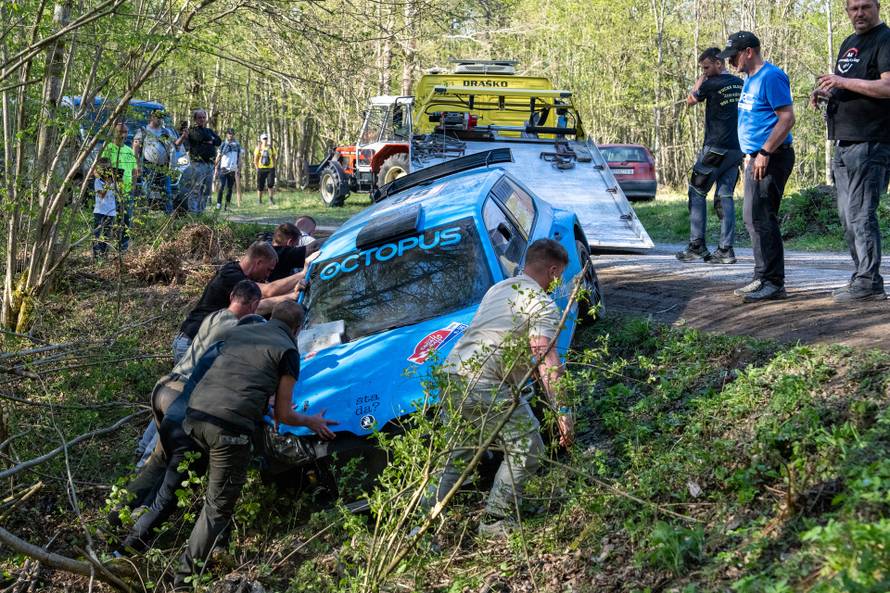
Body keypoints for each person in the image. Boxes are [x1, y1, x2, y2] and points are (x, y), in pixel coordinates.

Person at [173, 301, 337, 587]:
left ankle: (213, 547)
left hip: (194, 415)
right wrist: (312, 421)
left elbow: (237, 376)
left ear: (271, 317)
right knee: (217, 507)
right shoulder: (288, 351)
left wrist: (264, 400)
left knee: (216, 489)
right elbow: (284, 414)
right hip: (228, 426)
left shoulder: (239, 333)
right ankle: (183, 582)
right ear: (297, 329)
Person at [427, 239, 574, 537]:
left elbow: (504, 335)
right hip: (485, 382)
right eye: (559, 277)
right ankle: (495, 519)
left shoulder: (498, 289)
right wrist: (563, 413)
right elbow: (546, 361)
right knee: (528, 447)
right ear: (554, 271)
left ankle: (421, 524)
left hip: (452, 376)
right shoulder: (542, 305)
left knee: (458, 455)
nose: (558, 284)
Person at [116, 313, 267, 556]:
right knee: (167, 497)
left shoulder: (218, 347)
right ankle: (126, 552)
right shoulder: (249, 359)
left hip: (174, 414)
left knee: (155, 470)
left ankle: (111, 523)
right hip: (193, 428)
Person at [134, 279, 263, 470]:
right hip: (183, 389)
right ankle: (140, 473)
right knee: (161, 445)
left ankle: (139, 455)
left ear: (231, 296)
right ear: (254, 305)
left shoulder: (215, 315)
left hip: (168, 380)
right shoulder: (236, 330)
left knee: (158, 424)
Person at [813, 0, 890, 302]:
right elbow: (849, 85)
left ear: (878, 7)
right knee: (847, 215)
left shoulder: (885, 39)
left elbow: (887, 87)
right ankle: (862, 276)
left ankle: (869, 282)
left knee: (860, 213)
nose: (858, 13)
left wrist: (843, 81)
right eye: (852, 8)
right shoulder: (849, 42)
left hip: (870, 141)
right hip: (843, 141)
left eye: (864, 7)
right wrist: (829, 91)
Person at [718, 31, 796, 302]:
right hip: (756, 157)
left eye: (734, 56)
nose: (730, 63)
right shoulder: (750, 80)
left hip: (772, 157)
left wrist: (764, 152)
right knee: (752, 218)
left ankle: (774, 283)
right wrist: (751, 154)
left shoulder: (771, 76)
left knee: (763, 217)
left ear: (749, 51)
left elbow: (786, 118)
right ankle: (761, 276)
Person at [170, 241, 305, 363]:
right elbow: (267, 293)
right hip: (192, 342)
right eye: (268, 269)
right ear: (258, 262)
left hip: (207, 342)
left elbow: (264, 300)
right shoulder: (230, 275)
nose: (268, 275)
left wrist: (293, 293)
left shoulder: (239, 275)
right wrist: (302, 275)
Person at [677, 47, 745, 264]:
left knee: (696, 191)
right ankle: (726, 249)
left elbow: (690, 99)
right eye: (703, 69)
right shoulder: (740, 83)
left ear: (719, 63)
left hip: (715, 148)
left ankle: (697, 246)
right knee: (725, 195)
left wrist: (701, 78)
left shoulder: (711, 83)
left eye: (706, 67)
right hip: (737, 149)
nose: (705, 72)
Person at [99, 120, 138, 251]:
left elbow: (134, 170)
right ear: (114, 133)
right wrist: (112, 183)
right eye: (120, 132)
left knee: (125, 221)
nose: (123, 135)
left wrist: (133, 187)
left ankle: (123, 249)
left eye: (126, 132)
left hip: (126, 193)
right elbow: (102, 169)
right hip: (111, 192)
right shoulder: (108, 148)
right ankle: (103, 250)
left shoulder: (129, 150)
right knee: (108, 221)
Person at [175, 109, 221, 213]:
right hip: (197, 165)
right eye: (199, 117)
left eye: (203, 117)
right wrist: (208, 140)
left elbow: (218, 141)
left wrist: (211, 141)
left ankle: (201, 212)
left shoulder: (209, 131)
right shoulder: (192, 131)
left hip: (210, 165)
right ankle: (193, 213)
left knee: (206, 190)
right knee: (195, 190)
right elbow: (199, 137)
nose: (202, 119)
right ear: (195, 119)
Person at [133, 110, 175, 214]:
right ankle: (143, 215)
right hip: (148, 166)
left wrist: (183, 137)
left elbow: (175, 145)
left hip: (164, 167)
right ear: (152, 117)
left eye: (161, 117)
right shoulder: (143, 130)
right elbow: (135, 147)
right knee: (145, 191)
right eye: (158, 116)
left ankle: (169, 217)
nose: (160, 119)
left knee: (167, 192)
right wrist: (137, 164)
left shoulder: (166, 132)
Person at [91, 158, 120, 257]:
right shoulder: (97, 181)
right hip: (100, 211)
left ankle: (104, 255)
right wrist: (107, 184)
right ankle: (96, 255)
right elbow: (101, 195)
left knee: (107, 235)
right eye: (103, 168)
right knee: (97, 234)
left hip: (111, 211)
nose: (105, 169)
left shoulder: (114, 181)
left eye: (107, 167)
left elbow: (119, 194)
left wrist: (116, 182)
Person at [214, 128, 244, 211]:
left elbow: (240, 158)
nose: (231, 135)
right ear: (226, 134)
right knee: (221, 186)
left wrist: (239, 168)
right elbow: (218, 157)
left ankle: (227, 206)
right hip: (223, 169)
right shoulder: (223, 144)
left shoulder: (237, 145)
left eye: (232, 133)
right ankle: (218, 204)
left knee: (230, 188)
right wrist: (216, 169)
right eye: (229, 133)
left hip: (232, 169)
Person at [254, 133, 277, 205]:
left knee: (270, 184)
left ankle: (271, 200)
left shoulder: (271, 147)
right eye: (264, 138)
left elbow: (274, 157)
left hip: (270, 168)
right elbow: (255, 159)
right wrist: (257, 168)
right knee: (260, 185)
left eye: (266, 138)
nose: (265, 140)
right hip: (261, 169)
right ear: (261, 140)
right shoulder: (258, 148)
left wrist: (274, 166)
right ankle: (259, 200)